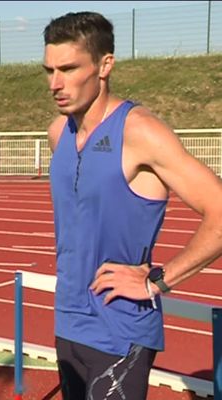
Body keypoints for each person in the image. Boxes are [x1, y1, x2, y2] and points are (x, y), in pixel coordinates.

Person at [43, 11, 222, 400]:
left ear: (105, 64)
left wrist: (157, 280)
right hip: (68, 323)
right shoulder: (58, 133)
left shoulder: (140, 132)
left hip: (119, 329)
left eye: (69, 68)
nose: (55, 83)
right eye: (49, 70)